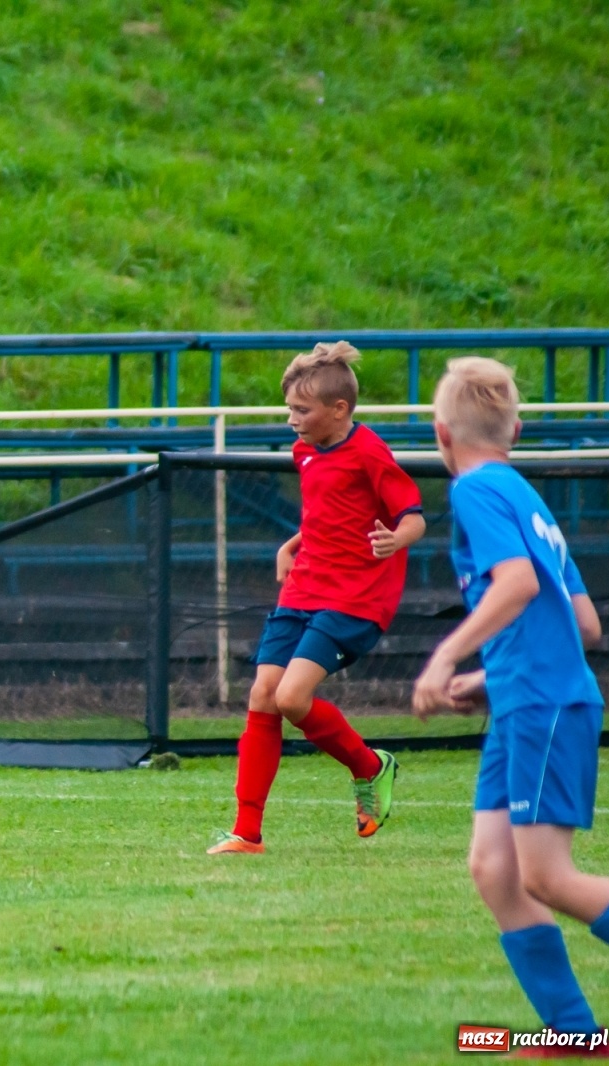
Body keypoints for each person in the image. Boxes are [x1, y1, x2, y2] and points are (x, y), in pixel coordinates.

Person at [414, 357, 609, 1058]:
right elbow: (585, 622)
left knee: (546, 876)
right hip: (524, 698)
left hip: (543, 704)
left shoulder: (476, 491)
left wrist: (446, 657)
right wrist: (485, 678)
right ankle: (575, 1036)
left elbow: (518, 586)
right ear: (517, 428)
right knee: (495, 871)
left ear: (441, 434)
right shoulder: (523, 492)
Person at [210, 341, 424, 855]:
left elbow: (413, 515)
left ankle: (370, 768)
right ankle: (247, 833)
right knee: (263, 695)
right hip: (305, 584)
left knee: (290, 698)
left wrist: (397, 539)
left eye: (301, 410)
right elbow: (325, 514)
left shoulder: (370, 451)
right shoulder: (304, 450)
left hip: (355, 596)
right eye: (289, 409)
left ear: (339, 410)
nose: (292, 419)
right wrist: (293, 543)